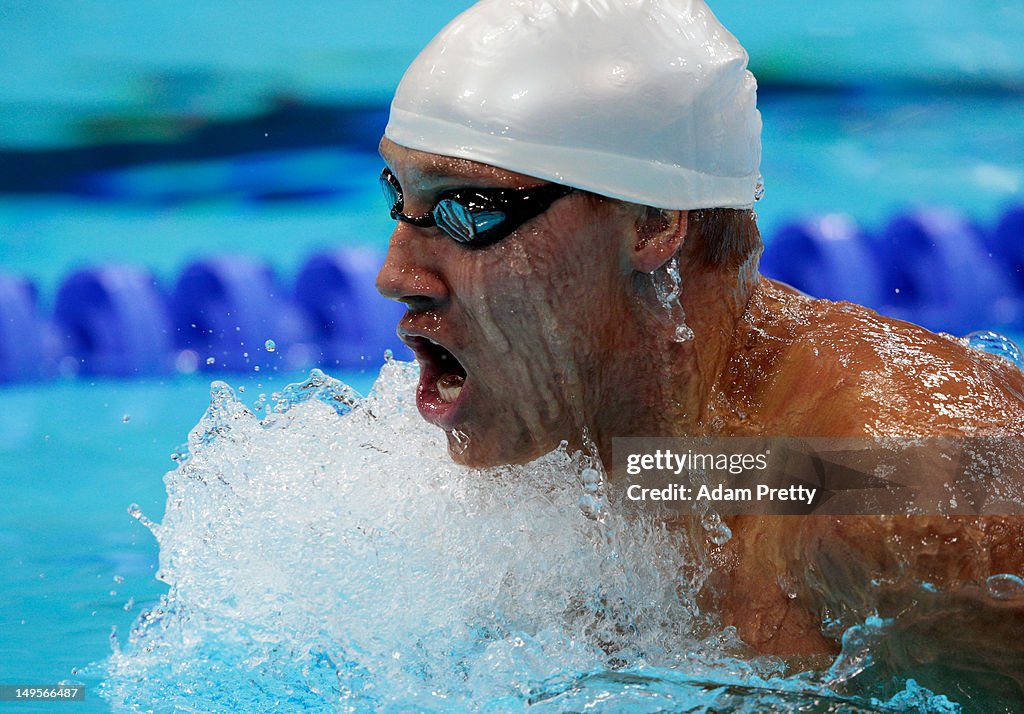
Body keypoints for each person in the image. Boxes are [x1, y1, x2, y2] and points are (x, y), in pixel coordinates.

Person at [374, 0, 1024, 700]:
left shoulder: (893, 484)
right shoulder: (676, 461)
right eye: (399, 198)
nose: (395, 276)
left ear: (653, 224)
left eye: (471, 208)